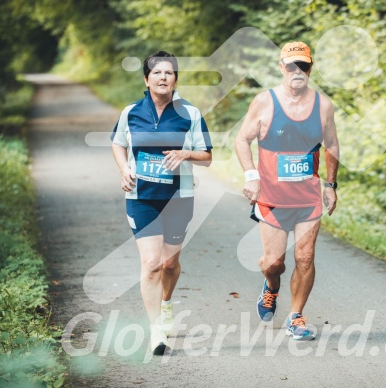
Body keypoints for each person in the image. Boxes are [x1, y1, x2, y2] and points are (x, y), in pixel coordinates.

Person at [235, 41, 339, 341]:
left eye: (303, 65)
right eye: (291, 65)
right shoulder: (265, 102)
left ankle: (296, 316)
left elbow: (332, 144)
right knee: (273, 263)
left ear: (310, 68)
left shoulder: (323, 105)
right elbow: (243, 139)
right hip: (272, 198)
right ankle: (271, 287)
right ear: (281, 67)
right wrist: (251, 175)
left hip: (308, 199)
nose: (297, 71)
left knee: (305, 257)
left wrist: (330, 185)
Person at [111, 51, 213, 355]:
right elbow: (118, 143)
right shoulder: (130, 112)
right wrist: (124, 168)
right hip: (141, 198)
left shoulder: (190, 114)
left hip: (178, 198)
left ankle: (166, 303)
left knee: (170, 263)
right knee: (152, 263)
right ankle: (157, 330)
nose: (163, 77)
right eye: (157, 73)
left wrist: (185, 154)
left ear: (176, 80)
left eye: (169, 73)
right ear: (146, 79)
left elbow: (207, 156)